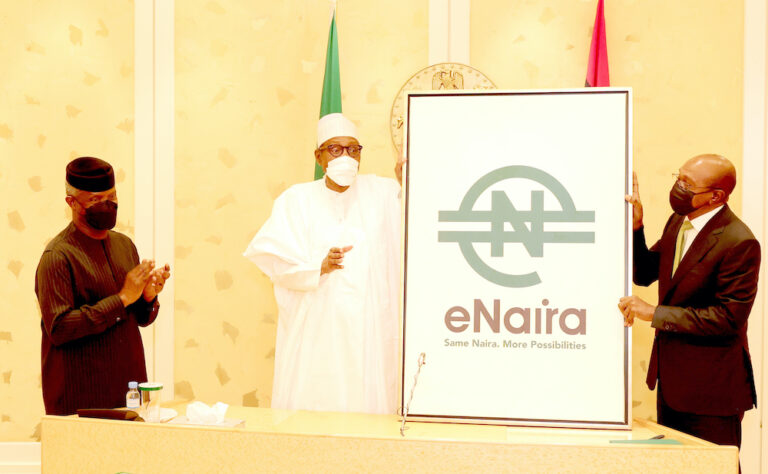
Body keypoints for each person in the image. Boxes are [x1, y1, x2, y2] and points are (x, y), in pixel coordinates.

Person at [244, 113, 403, 414]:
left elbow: (415, 221)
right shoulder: (296, 200)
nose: (346, 157)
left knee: (367, 408)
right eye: (335, 149)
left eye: (353, 149)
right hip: (318, 331)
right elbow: (273, 259)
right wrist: (319, 267)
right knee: (316, 405)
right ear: (318, 157)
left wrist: (406, 181)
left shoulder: (383, 193)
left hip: (369, 333)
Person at [619, 154, 761, 448]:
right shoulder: (678, 222)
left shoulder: (739, 241)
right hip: (672, 385)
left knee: (714, 466)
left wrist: (654, 313)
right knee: (676, 465)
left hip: (713, 391)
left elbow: (727, 319)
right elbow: (644, 273)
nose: (678, 188)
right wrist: (636, 228)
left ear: (716, 196)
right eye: (678, 178)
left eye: (687, 183)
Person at [35, 156, 171, 415]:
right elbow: (60, 329)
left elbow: (139, 319)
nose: (107, 205)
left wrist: (147, 297)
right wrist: (122, 299)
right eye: (96, 200)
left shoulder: (124, 245)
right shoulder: (57, 256)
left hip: (128, 393)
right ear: (72, 202)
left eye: (111, 196)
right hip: (80, 399)